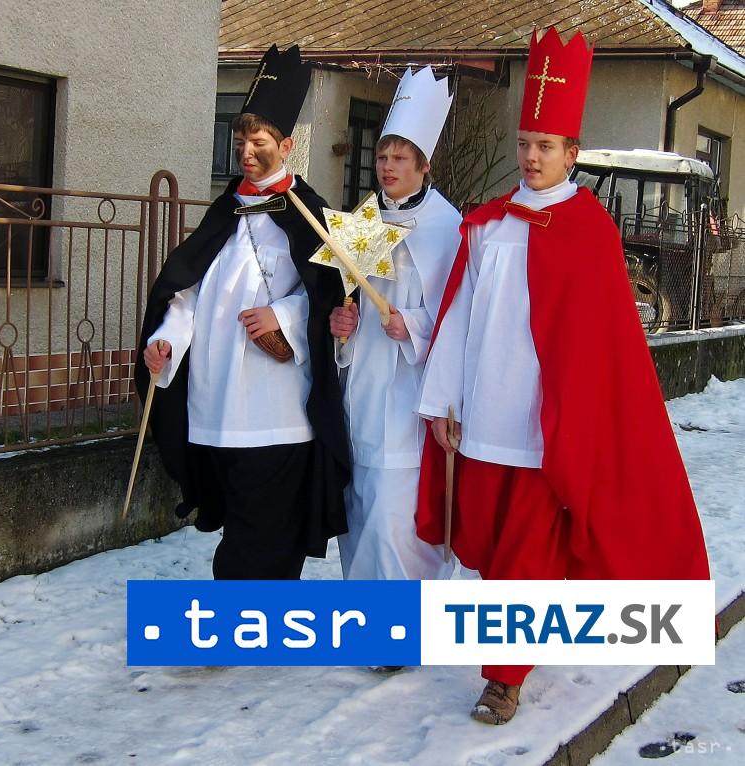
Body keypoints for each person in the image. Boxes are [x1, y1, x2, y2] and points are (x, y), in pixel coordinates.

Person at [414, 27, 710, 724]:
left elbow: (606, 346)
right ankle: (518, 641)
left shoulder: (590, 231)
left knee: (528, 549)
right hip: (484, 415)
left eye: (545, 146)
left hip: (545, 429)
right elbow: (458, 317)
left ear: (571, 153)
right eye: (525, 144)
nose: (531, 157)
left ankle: (503, 679)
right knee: (491, 547)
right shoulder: (487, 226)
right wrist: (443, 402)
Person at [135, 44, 350, 580]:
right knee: (242, 523)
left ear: (286, 146)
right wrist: (166, 339)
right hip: (216, 400)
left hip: (276, 406)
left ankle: (245, 612)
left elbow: (331, 294)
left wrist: (283, 316)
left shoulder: (310, 213)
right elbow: (187, 291)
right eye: (239, 143)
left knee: (265, 531)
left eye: (258, 143)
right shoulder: (224, 211)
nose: (246, 154)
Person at [328, 67, 461, 581]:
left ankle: (406, 617)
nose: (387, 166)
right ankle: (366, 613)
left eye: (400, 158)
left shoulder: (448, 226)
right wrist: (342, 328)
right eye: (382, 156)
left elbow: (458, 311)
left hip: (410, 396)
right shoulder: (364, 220)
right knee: (359, 515)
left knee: (393, 520)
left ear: (424, 165)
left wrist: (415, 325)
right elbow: (349, 299)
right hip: (362, 391)